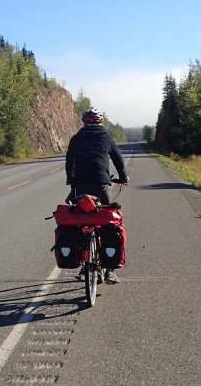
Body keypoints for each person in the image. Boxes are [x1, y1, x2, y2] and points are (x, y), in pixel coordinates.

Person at [64, 108, 129, 284]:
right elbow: (118, 160)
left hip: (80, 186)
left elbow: (69, 161)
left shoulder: (77, 139)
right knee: (109, 222)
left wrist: (71, 179)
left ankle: (82, 258)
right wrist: (122, 177)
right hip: (101, 185)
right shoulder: (106, 137)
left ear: (84, 122)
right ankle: (109, 271)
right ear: (100, 122)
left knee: (79, 220)